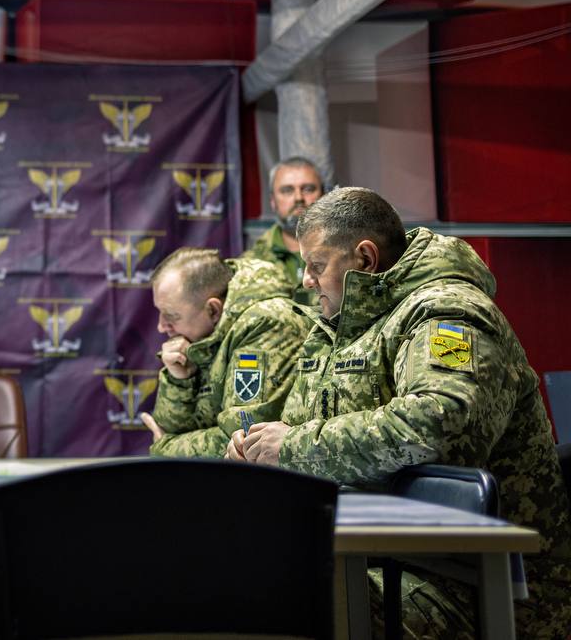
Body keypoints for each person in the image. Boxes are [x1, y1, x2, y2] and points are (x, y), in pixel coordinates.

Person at [227, 187, 571, 638]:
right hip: (380, 558)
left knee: (275, 603)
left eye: (317, 266)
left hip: (477, 587)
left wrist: (291, 447)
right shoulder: (339, 327)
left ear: (365, 259)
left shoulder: (447, 310)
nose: (307, 281)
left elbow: (439, 423)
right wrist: (258, 453)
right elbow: (298, 430)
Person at [141, 248, 309, 458]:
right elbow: (169, 428)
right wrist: (180, 380)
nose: (161, 326)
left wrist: (165, 449)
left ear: (213, 310)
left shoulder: (265, 323)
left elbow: (243, 438)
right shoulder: (200, 336)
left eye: (171, 316)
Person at [242, 156, 325, 305]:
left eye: (308, 189)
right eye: (287, 190)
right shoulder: (251, 262)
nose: (298, 198)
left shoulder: (346, 254)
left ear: (324, 195)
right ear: (273, 201)